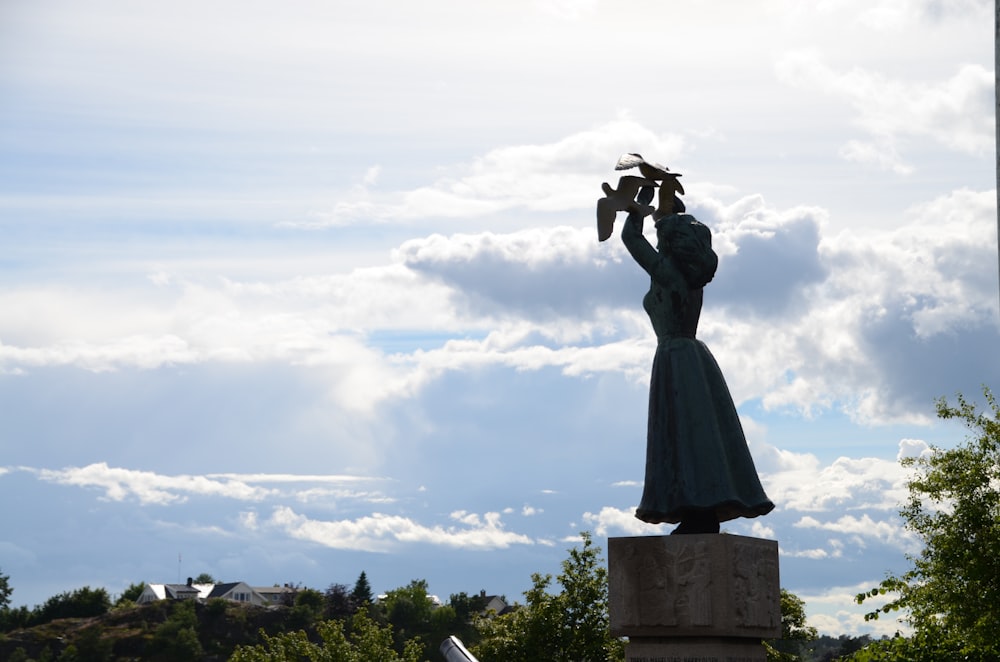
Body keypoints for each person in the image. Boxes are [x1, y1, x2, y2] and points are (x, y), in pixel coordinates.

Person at [621, 184, 774, 534]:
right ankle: (698, 508)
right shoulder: (692, 278)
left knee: (682, 436)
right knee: (694, 435)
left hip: (675, 357)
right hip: (692, 358)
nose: (658, 243)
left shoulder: (669, 273)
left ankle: (696, 508)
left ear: (671, 244)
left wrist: (639, 207)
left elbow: (632, 240)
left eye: (664, 239)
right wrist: (666, 209)